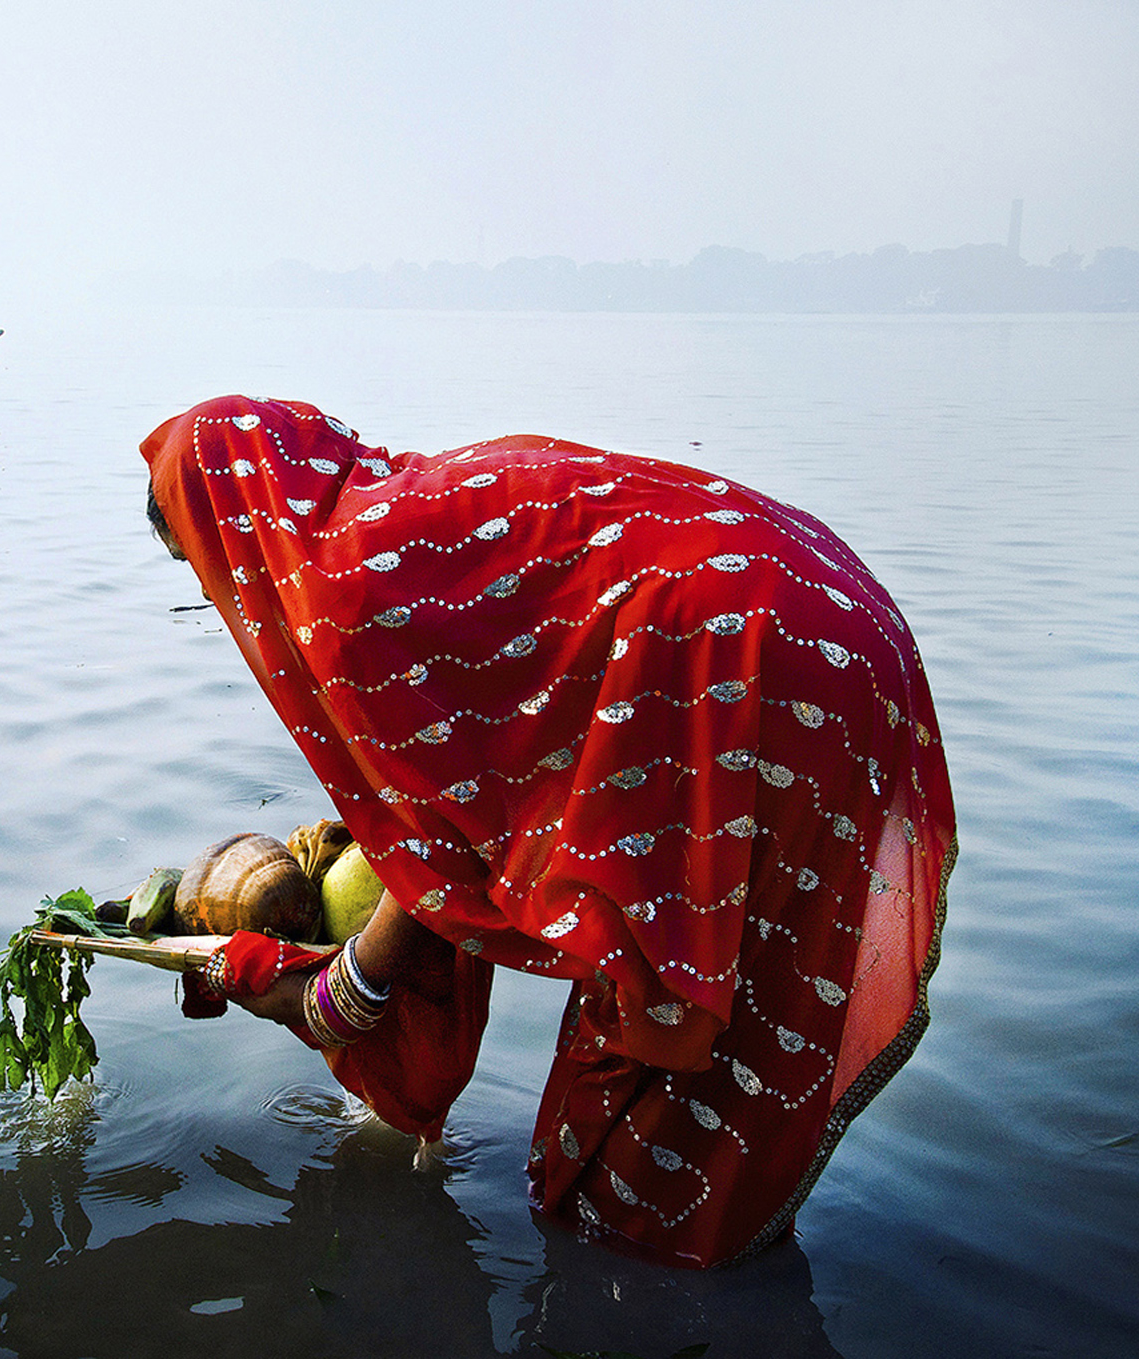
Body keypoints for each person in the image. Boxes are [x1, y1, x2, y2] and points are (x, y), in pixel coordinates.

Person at [142, 395, 955, 1269]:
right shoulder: (413, 507)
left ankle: (653, 1287)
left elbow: (446, 853)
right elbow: (477, 791)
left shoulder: (348, 583)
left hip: (742, 660)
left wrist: (333, 997)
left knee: (629, 1153)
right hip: (827, 614)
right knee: (736, 1019)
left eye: (207, 566)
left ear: (238, 530)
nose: (218, 595)